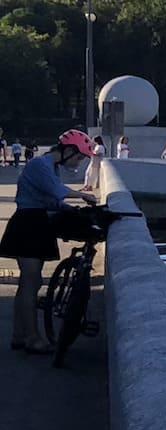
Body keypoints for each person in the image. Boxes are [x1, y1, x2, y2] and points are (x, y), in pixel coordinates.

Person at [3, 129, 96, 353]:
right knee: (30, 283)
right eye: (79, 156)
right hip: (28, 224)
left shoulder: (50, 167)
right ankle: (33, 339)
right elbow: (56, 192)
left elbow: (50, 199)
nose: (79, 161)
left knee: (30, 284)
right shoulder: (40, 165)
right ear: (68, 151)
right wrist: (83, 196)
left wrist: (69, 208)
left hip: (35, 223)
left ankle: (19, 335)